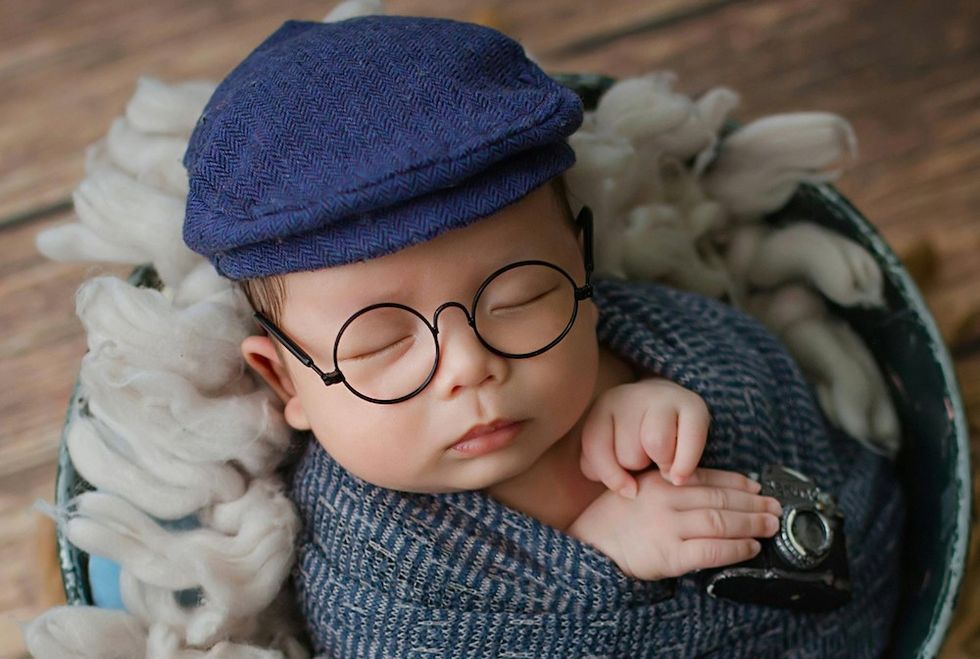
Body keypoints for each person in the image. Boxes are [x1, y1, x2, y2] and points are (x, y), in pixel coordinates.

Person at [181, 14, 904, 658]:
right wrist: (603, 566)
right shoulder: (369, 552)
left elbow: (848, 520)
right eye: (379, 344)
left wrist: (704, 428)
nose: (468, 365)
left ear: (582, 265)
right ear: (285, 381)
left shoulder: (674, 343)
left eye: (520, 296)